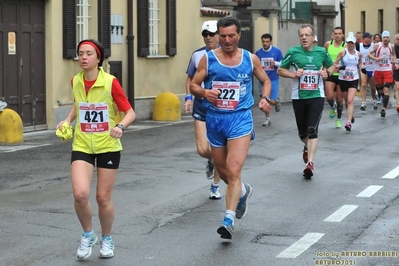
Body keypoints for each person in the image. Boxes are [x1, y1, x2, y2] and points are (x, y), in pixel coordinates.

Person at [190, 16, 272, 239]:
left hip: (240, 119)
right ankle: (244, 191)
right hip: (215, 120)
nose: (226, 40)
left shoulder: (250, 58)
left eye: (231, 36)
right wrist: (206, 93)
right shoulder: (208, 60)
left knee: (234, 170)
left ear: (239, 35)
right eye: (222, 36)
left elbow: (265, 80)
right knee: (225, 172)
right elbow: (194, 85)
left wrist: (265, 98)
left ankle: (228, 220)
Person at [56, 39, 136, 260]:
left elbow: (129, 112)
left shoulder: (111, 82)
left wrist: (120, 126)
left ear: (98, 58)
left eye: (88, 53)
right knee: (80, 194)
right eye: (80, 53)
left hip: (108, 145)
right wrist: (67, 120)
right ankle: (88, 234)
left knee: (102, 198)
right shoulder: (76, 81)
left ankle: (107, 238)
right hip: (82, 144)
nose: (83, 57)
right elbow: (78, 104)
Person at [277, 24, 335, 178]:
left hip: (316, 96)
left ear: (312, 37)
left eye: (306, 35)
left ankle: (310, 164)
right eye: (301, 35)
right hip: (299, 97)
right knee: (302, 133)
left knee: (312, 129)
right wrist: (293, 74)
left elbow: (332, 66)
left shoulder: (321, 52)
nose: (303, 37)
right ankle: (306, 147)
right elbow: (280, 70)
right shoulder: (293, 52)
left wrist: (326, 73)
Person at [184, 20, 222, 200]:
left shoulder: (227, 54)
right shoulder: (197, 55)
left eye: (211, 34)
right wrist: (188, 97)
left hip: (221, 108)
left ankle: (215, 186)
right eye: (205, 35)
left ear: (218, 35)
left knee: (218, 148)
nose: (208, 38)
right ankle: (212, 161)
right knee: (202, 149)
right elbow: (190, 79)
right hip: (201, 105)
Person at [334, 34, 366, 131]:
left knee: (350, 100)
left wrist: (362, 68)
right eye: (348, 43)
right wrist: (339, 67)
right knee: (346, 101)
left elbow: (360, 62)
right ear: (347, 43)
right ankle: (350, 115)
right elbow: (335, 63)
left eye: (352, 43)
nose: (350, 45)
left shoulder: (358, 54)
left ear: (355, 43)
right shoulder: (342, 52)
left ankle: (348, 122)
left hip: (353, 79)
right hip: (343, 79)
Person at [255, 33, 283, 126]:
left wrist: (274, 63)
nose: (265, 43)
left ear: (270, 42)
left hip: (273, 78)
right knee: (265, 99)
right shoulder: (258, 53)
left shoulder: (277, 51)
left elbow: (283, 63)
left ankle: (277, 101)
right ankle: (267, 118)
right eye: (263, 41)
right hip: (262, 79)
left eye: (267, 41)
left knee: (272, 100)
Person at [368, 31, 398, 117]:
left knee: (386, 89)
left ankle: (383, 108)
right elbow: (369, 54)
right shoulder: (378, 45)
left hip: (387, 70)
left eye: (387, 37)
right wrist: (376, 58)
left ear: (389, 38)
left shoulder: (391, 46)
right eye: (384, 37)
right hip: (378, 70)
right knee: (380, 89)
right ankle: (382, 98)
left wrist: (395, 63)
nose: (385, 39)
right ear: (382, 38)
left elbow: (393, 55)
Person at [324, 27, 346, 128]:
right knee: (329, 97)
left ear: (343, 35)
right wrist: (324, 67)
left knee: (339, 98)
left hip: (341, 74)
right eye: (335, 33)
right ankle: (333, 107)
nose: (337, 35)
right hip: (330, 73)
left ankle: (339, 119)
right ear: (333, 35)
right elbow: (323, 56)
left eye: (339, 33)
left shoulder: (345, 46)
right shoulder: (328, 44)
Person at [358, 32, 377, 111]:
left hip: (372, 68)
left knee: (373, 87)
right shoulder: (360, 46)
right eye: (368, 38)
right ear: (365, 38)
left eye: (371, 38)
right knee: (363, 84)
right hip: (364, 68)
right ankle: (363, 102)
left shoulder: (374, 46)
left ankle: (374, 99)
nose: (370, 39)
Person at [393, 33, 399, 112]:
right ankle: (398, 104)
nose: (398, 41)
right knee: (397, 86)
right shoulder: (393, 47)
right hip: (396, 68)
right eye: (397, 39)